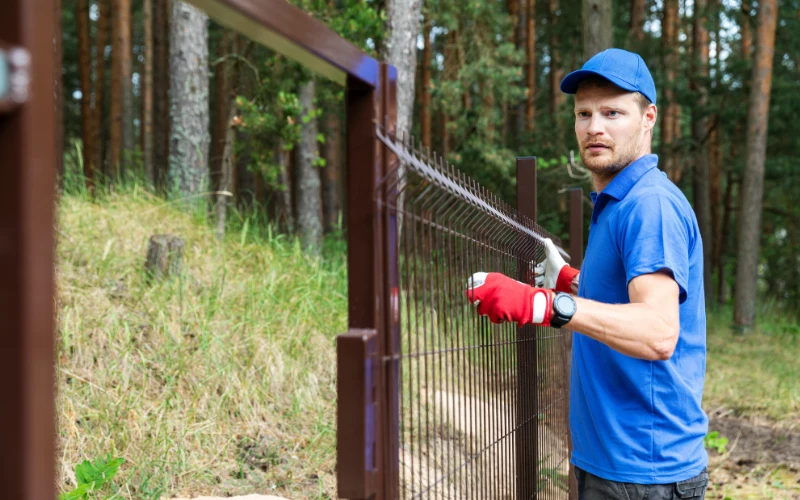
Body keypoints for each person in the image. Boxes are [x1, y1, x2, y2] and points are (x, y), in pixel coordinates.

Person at [466, 48, 709, 499]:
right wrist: (572, 282)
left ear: (648, 117)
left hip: (643, 473)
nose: (594, 127)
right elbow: (631, 297)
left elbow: (658, 332)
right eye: (584, 113)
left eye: (613, 112)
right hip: (612, 461)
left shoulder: (648, 205)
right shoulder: (618, 201)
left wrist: (543, 304)